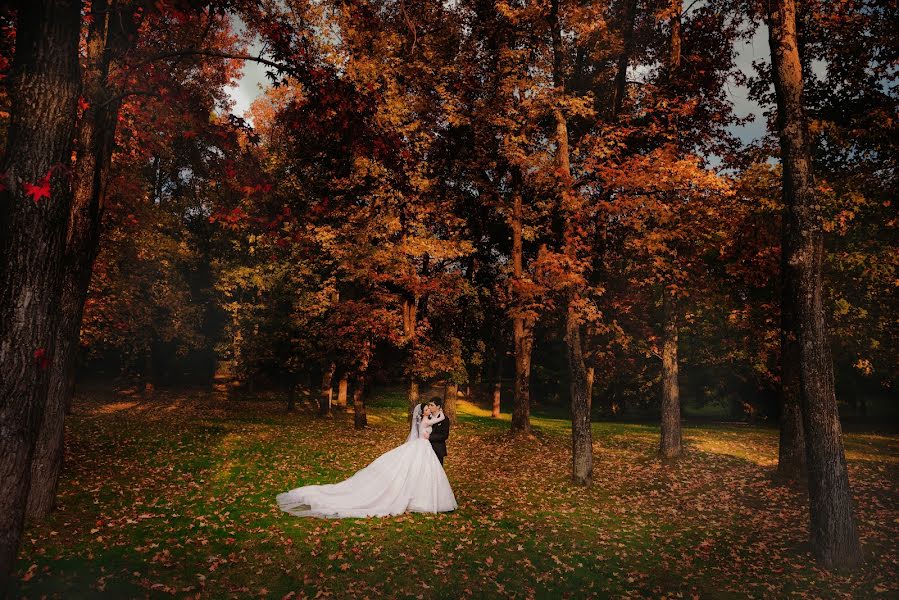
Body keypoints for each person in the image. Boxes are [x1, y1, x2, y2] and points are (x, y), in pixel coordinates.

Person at [276, 402, 457, 518]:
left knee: (424, 472)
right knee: (416, 471)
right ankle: (421, 497)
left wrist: (436, 418)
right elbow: (435, 421)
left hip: (425, 448)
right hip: (422, 446)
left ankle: (424, 496)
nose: (428, 409)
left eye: (430, 407)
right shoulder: (427, 419)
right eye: (427, 408)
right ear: (424, 411)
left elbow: (440, 423)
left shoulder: (430, 417)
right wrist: (433, 422)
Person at [423, 397, 450, 465]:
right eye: (429, 405)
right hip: (425, 449)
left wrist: (430, 437)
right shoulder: (427, 417)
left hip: (438, 449)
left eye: (432, 405)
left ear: (438, 406)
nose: (429, 407)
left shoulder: (444, 419)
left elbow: (444, 435)